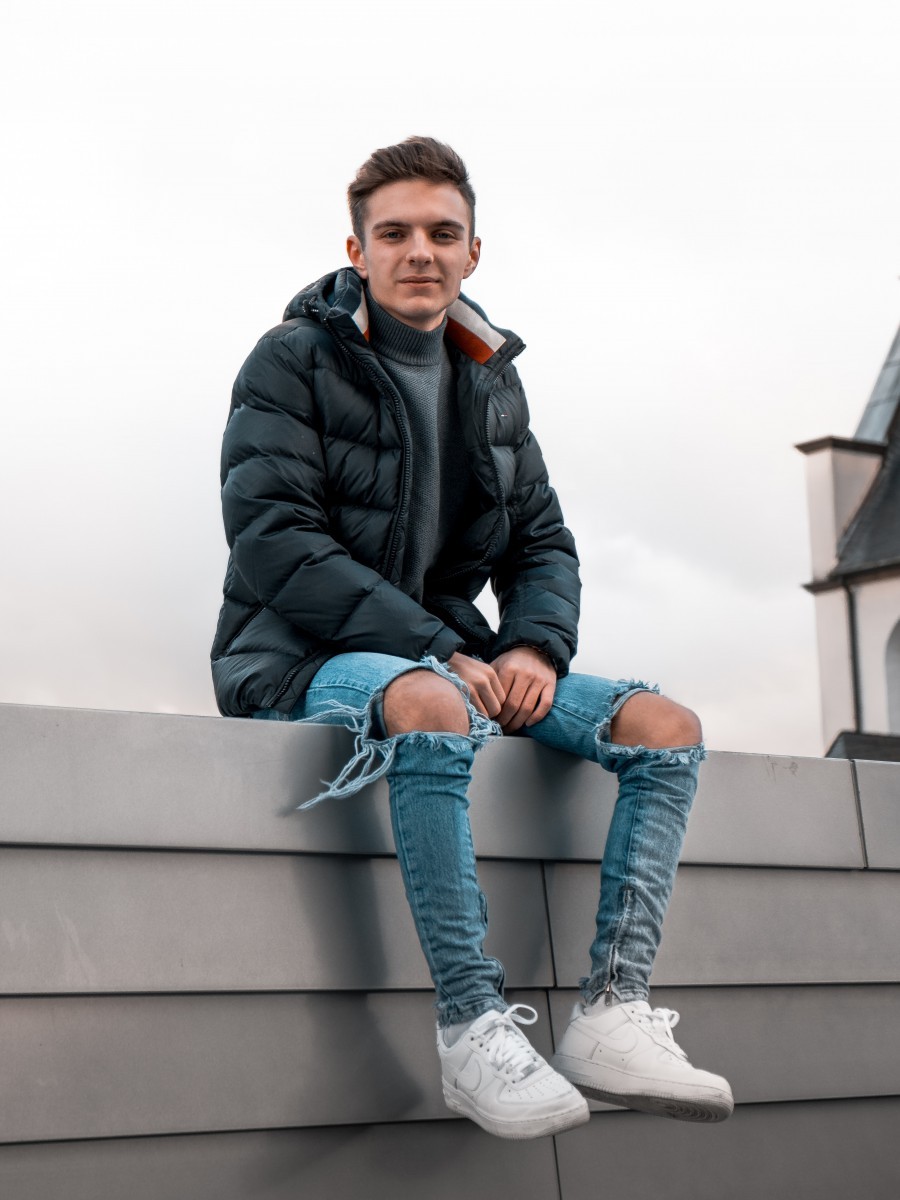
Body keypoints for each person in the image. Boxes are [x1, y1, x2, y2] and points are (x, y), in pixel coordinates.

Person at [212, 136, 733, 1140]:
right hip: (296, 654)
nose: (421, 251)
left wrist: (531, 648)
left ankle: (614, 1013)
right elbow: (276, 541)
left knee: (665, 727)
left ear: (473, 252)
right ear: (357, 250)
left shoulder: (489, 378)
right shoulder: (291, 360)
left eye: (442, 233)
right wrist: (435, 648)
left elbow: (542, 541)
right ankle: (471, 1025)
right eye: (395, 233)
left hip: (450, 653)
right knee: (430, 699)